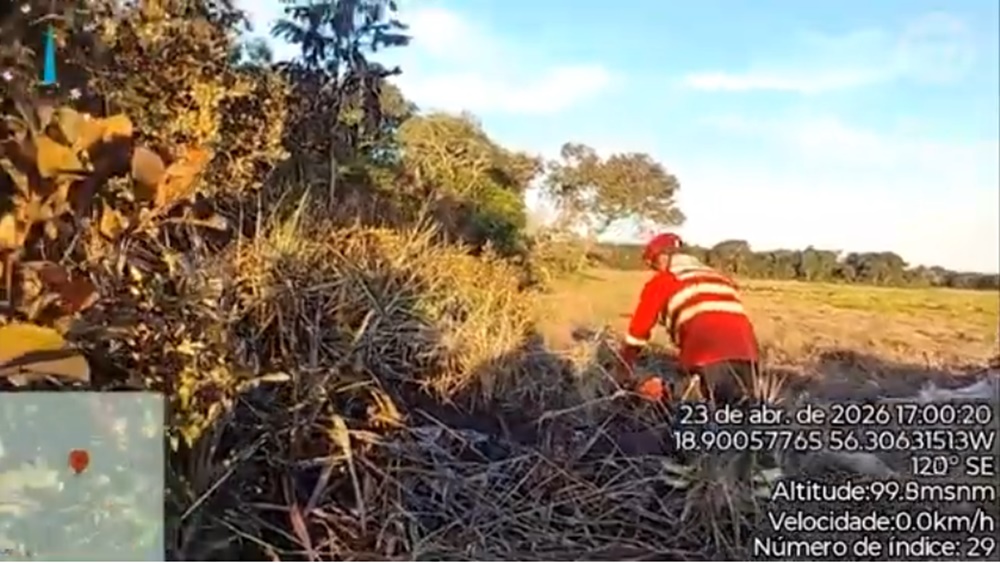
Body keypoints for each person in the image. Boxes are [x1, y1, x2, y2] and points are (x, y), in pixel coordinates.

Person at [616, 233, 760, 407]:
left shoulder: (664, 281)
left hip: (706, 361)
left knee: (658, 396)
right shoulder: (722, 279)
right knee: (738, 413)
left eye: (653, 263)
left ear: (663, 257)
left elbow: (638, 333)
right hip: (749, 362)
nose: (655, 270)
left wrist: (623, 369)